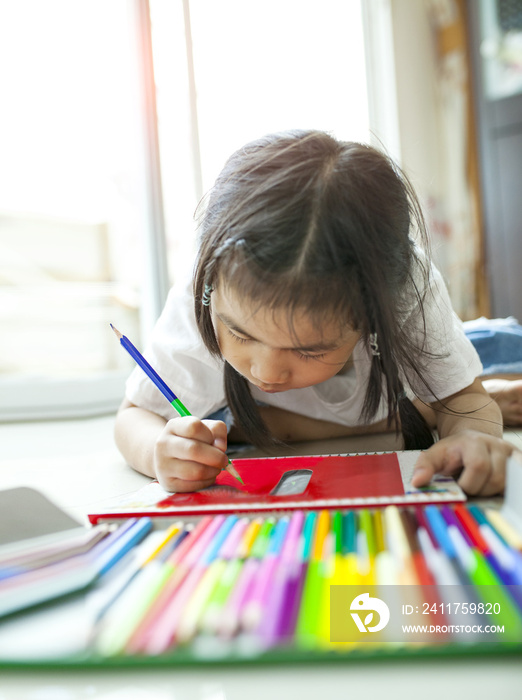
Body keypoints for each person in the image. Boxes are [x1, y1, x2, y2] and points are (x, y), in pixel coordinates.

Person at [115, 130, 518, 496]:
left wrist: (474, 436)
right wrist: (158, 451)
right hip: (255, 411)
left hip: (391, 384)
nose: (267, 372)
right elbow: (134, 416)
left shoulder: (403, 290)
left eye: (307, 350)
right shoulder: (209, 286)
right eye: (241, 334)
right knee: (216, 426)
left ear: (372, 316)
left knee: (501, 351)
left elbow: (463, 401)